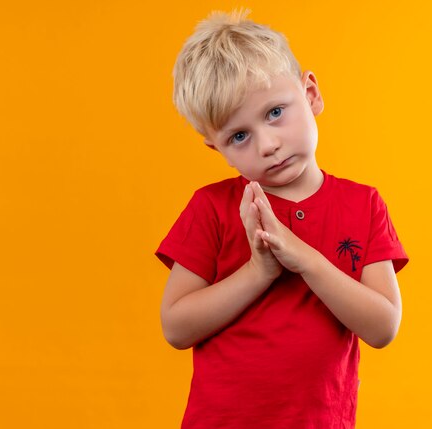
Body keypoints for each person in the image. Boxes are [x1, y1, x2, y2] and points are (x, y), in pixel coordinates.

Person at [155, 9, 408, 429]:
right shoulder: (212, 208)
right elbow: (176, 328)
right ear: (217, 149)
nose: (268, 145)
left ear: (310, 94)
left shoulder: (363, 204)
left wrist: (304, 257)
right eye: (239, 136)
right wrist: (259, 271)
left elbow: (382, 327)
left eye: (275, 112)